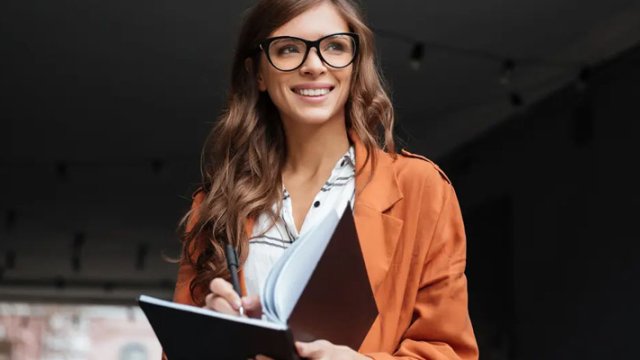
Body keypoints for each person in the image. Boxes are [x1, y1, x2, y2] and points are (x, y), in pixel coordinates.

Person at [171, 0, 478, 358]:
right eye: (288, 49)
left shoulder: (420, 189)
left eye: (334, 47)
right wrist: (211, 340)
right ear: (258, 74)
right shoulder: (215, 204)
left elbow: (450, 351)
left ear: (354, 64)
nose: (314, 66)